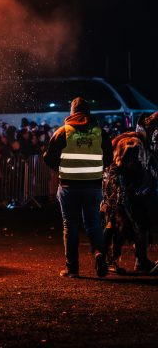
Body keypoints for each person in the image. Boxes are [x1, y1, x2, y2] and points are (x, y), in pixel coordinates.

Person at [43, 97, 113, 278]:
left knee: (70, 225)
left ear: (72, 113)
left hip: (68, 187)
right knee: (93, 224)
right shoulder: (100, 132)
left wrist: (63, 168)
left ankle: (72, 268)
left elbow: (48, 157)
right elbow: (110, 158)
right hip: (93, 186)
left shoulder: (62, 132)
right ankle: (99, 253)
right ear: (89, 113)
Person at [101, 132, 157, 274]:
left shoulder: (117, 161)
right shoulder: (129, 156)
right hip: (124, 199)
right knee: (126, 226)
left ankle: (115, 260)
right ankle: (116, 260)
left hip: (122, 198)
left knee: (119, 227)